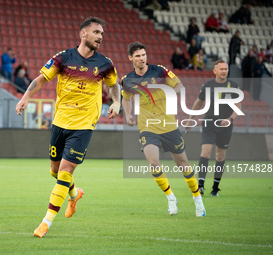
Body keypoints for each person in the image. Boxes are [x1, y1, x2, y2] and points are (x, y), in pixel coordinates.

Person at [15, 17, 121, 238]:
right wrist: (26, 97)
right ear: (83, 34)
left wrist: (117, 102)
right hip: (60, 122)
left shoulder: (105, 63)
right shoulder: (62, 58)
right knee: (54, 171)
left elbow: (114, 85)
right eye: (96, 32)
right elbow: (41, 79)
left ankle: (46, 222)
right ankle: (74, 194)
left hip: (84, 125)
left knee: (65, 171)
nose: (100, 37)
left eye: (102, 33)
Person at [122, 41, 206, 217]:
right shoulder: (128, 80)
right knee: (153, 163)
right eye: (137, 56)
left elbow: (179, 86)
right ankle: (170, 197)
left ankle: (197, 199)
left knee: (183, 164)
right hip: (147, 126)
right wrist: (128, 115)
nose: (142, 58)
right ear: (131, 58)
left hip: (168, 125)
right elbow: (126, 98)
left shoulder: (159, 71)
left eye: (143, 55)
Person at [186, 60, 242, 196]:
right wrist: (189, 120)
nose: (224, 71)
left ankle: (215, 188)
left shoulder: (233, 86)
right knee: (205, 152)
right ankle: (200, 186)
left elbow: (238, 107)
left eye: (226, 69)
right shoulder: (208, 85)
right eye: (221, 69)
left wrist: (230, 119)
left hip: (225, 126)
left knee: (220, 156)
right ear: (215, 71)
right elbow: (198, 103)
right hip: (209, 123)